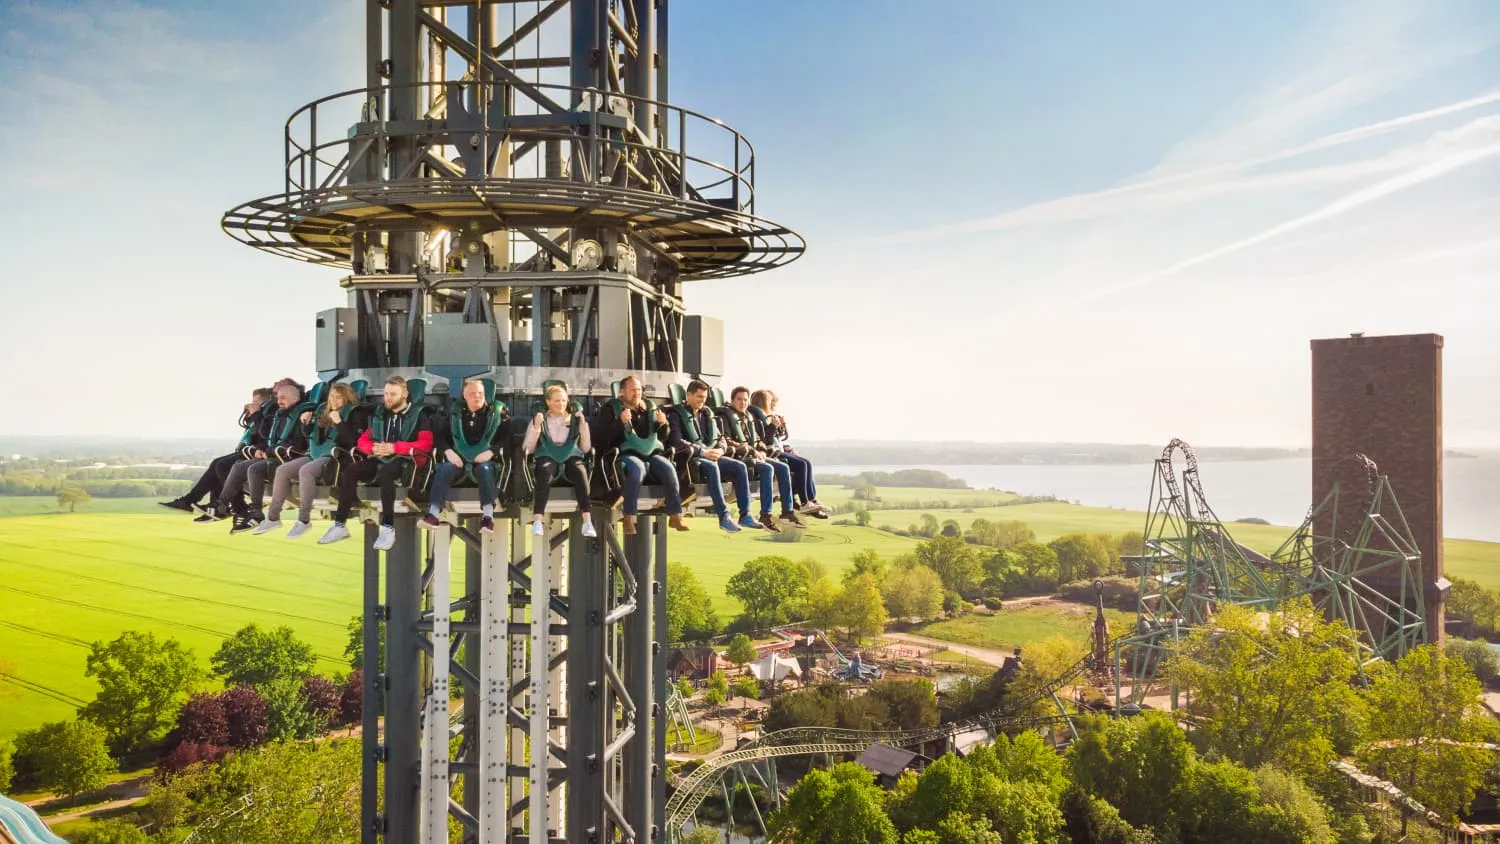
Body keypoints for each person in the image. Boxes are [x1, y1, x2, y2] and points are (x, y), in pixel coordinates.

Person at [321, 376, 434, 550]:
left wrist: (395, 448)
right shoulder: (380, 414)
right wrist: (373, 448)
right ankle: (340, 524)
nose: (388, 398)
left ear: (404, 394)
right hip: (379, 457)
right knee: (352, 470)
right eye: (386, 394)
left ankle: (388, 527)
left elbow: (426, 444)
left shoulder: (420, 415)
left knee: (386, 472)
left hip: (405, 461)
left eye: (393, 394)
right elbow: (363, 440)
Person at [254, 382, 368, 538]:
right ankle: (273, 518)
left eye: (339, 397)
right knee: (282, 470)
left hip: (337, 457)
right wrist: (306, 424)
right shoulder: (324, 411)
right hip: (316, 453)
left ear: (347, 398)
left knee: (306, 471)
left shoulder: (356, 414)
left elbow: (352, 442)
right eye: (332, 397)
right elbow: (312, 437)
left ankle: (304, 520)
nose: (334, 400)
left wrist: (339, 423)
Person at [593, 375, 688, 535]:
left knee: (668, 468)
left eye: (638, 390)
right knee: (638, 469)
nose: (636, 393)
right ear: (622, 392)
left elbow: (662, 438)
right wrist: (620, 423)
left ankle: (675, 514)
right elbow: (602, 438)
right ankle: (629, 517)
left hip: (650, 454)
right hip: (624, 454)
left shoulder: (649, 408)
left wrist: (663, 425)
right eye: (632, 390)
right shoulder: (611, 409)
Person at [160, 387, 275, 519]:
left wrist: (256, 414)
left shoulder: (271, 412)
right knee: (217, 463)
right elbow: (254, 431)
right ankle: (200, 502)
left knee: (222, 465)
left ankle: (234, 507)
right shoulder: (263, 412)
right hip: (252, 449)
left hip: (259, 451)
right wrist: (251, 416)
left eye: (255, 401)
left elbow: (264, 434)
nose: (251, 404)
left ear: (264, 402)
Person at [666, 380, 760, 534]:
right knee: (712, 466)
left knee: (739, 466)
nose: (702, 400)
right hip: (692, 457)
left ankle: (745, 514)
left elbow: (721, 437)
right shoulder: (676, 415)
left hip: (712, 454)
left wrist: (721, 450)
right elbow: (676, 441)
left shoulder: (706, 414)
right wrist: (703, 452)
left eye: (704, 397)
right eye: (699, 397)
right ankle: (724, 517)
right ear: (688, 395)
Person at [421, 379, 508, 535]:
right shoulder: (455, 414)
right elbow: (440, 438)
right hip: (458, 460)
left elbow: (508, 439)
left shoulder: (498, 414)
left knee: (484, 470)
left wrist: (491, 452)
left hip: (486, 460)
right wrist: (448, 451)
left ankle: (488, 517)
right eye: (473, 394)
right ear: (464, 396)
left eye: (480, 393)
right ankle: (433, 514)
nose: (477, 396)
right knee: (444, 469)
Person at [223, 381, 309, 533]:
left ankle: (256, 512)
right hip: (274, 454)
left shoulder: (301, 415)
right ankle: (222, 504)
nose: (279, 401)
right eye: (278, 398)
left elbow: (298, 443)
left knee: (254, 469)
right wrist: (263, 449)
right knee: (238, 466)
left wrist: (269, 451)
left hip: (289, 457)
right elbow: (268, 437)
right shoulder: (280, 415)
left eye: (283, 398)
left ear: (295, 398)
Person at [722, 386, 803, 531]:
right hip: (740, 456)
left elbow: (758, 440)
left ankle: (787, 512)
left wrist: (762, 450)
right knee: (767, 468)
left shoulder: (748, 417)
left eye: (745, 400)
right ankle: (765, 515)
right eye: (739, 399)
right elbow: (727, 440)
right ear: (732, 400)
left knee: (783, 467)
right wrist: (752, 451)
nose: (742, 403)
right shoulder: (725, 417)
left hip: (755, 454)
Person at [521, 384, 596, 538]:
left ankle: (587, 521)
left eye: (563, 400)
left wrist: (582, 426)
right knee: (544, 471)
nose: (561, 404)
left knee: (580, 471)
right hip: (548, 455)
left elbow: (585, 448)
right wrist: (536, 427)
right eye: (556, 401)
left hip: (570, 455)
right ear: (548, 402)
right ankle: (537, 520)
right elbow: (528, 448)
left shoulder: (574, 419)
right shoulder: (541, 419)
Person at [750, 388, 828, 517]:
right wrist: (773, 426)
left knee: (807, 463)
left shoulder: (766, 417)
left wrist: (781, 427)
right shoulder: (757, 419)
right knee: (801, 465)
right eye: (771, 402)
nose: (773, 405)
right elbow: (765, 440)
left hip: (777, 449)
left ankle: (812, 500)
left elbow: (777, 438)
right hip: (770, 452)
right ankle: (805, 502)